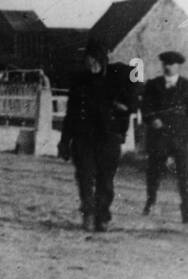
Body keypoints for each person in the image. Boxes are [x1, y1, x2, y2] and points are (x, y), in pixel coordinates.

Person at [59, 36, 137, 232]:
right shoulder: (79, 82)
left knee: (106, 181)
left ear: (103, 60)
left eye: (95, 59)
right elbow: (70, 113)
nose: (91, 63)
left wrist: (124, 110)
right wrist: (64, 142)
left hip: (108, 138)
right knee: (84, 177)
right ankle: (88, 213)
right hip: (83, 138)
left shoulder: (117, 77)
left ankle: (102, 216)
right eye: (88, 59)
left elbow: (133, 101)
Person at [141, 50, 188, 221]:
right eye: (166, 64)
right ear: (163, 65)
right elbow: (145, 108)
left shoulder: (186, 86)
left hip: (181, 137)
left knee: (185, 174)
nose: (169, 67)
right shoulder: (153, 85)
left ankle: (186, 210)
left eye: (172, 64)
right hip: (159, 136)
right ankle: (151, 201)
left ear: (178, 66)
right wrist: (152, 119)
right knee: (154, 171)